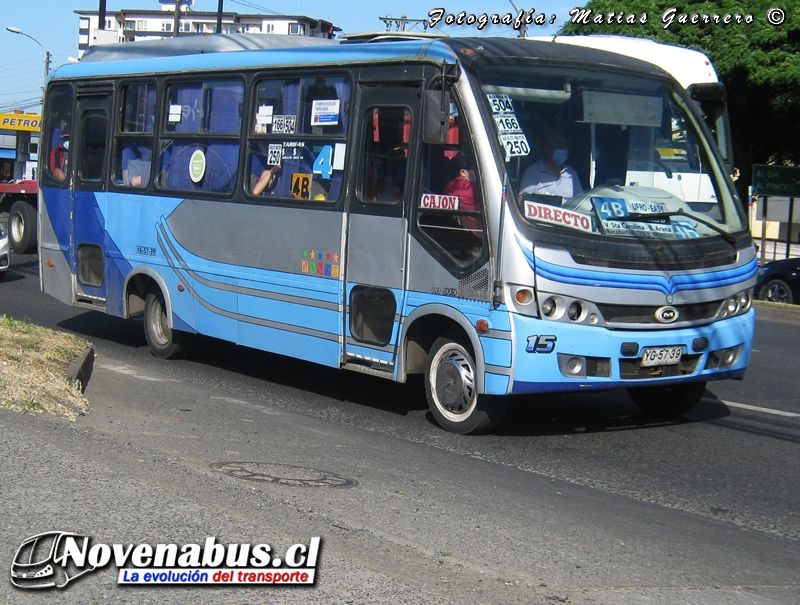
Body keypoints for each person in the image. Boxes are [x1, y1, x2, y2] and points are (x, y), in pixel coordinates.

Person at [518, 130, 583, 204]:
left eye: (565, 145)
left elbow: (580, 202)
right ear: (547, 150)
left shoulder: (571, 173)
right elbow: (523, 201)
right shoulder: (532, 172)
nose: (563, 148)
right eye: (559, 145)